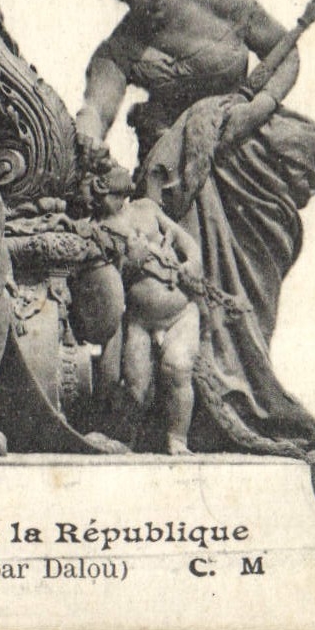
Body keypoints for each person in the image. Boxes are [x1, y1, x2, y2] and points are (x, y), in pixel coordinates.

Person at [76, 0, 315, 458]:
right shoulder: (120, 48)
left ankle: (249, 403)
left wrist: (260, 105)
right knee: (201, 287)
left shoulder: (220, 4)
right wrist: (84, 137)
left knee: (251, 291)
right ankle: (204, 418)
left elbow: (283, 54)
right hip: (182, 173)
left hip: (250, 153)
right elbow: (97, 105)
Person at [91, 166, 202, 455]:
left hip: (180, 312)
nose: (107, 200)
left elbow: (183, 238)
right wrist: (133, 263)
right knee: (135, 384)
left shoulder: (146, 209)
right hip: (139, 319)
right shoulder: (97, 230)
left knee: (177, 367)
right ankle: (124, 440)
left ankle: (178, 439)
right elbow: (106, 283)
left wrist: (192, 262)